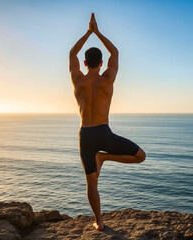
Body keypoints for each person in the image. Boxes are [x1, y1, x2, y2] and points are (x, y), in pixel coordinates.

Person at [69, 13, 146, 231]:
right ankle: (104, 157)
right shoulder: (108, 78)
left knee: (91, 184)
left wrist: (88, 32)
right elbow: (115, 52)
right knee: (140, 156)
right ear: (102, 63)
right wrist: (98, 32)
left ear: (84, 63)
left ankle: (99, 222)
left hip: (85, 135)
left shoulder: (78, 80)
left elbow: (72, 53)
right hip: (104, 133)